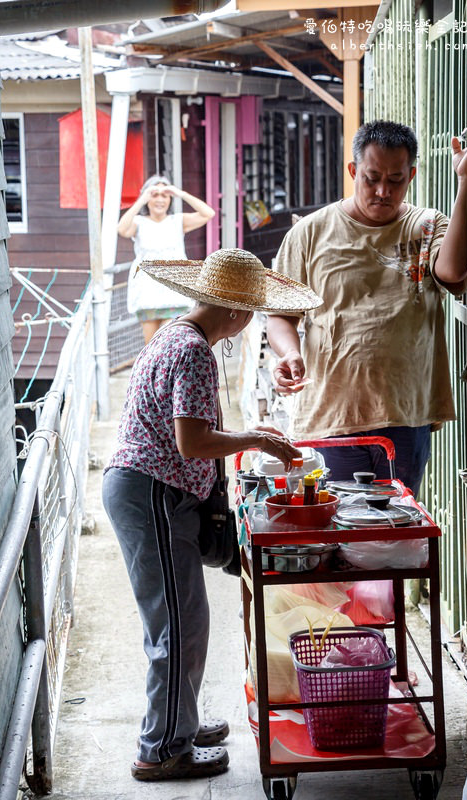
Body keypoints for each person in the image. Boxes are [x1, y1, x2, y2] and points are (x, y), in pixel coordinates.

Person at [101, 248, 322, 782]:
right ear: (237, 313)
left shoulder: (178, 335)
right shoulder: (194, 352)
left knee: (184, 619)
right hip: (150, 493)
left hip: (151, 491)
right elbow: (193, 440)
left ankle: (178, 722)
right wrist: (255, 439)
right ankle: (162, 749)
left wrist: (248, 440)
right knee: (177, 624)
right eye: (250, 312)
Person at [267, 120, 467, 498]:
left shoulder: (425, 226)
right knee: (337, 527)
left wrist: (465, 186)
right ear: (353, 171)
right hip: (331, 415)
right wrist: (290, 353)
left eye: (395, 180)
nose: (383, 191)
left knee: (393, 533)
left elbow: (452, 272)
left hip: (404, 415)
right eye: (372, 178)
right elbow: (280, 316)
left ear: (411, 176)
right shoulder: (309, 234)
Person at [117, 174, 215, 344]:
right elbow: (122, 229)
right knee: (151, 345)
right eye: (155, 195)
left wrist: (180, 194)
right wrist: (141, 200)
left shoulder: (177, 221)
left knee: (168, 341)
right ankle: (150, 371)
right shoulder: (139, 222)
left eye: (165, 195)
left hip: (173, 292)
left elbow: (208, 213)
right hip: (146, 292)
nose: (160, 200)